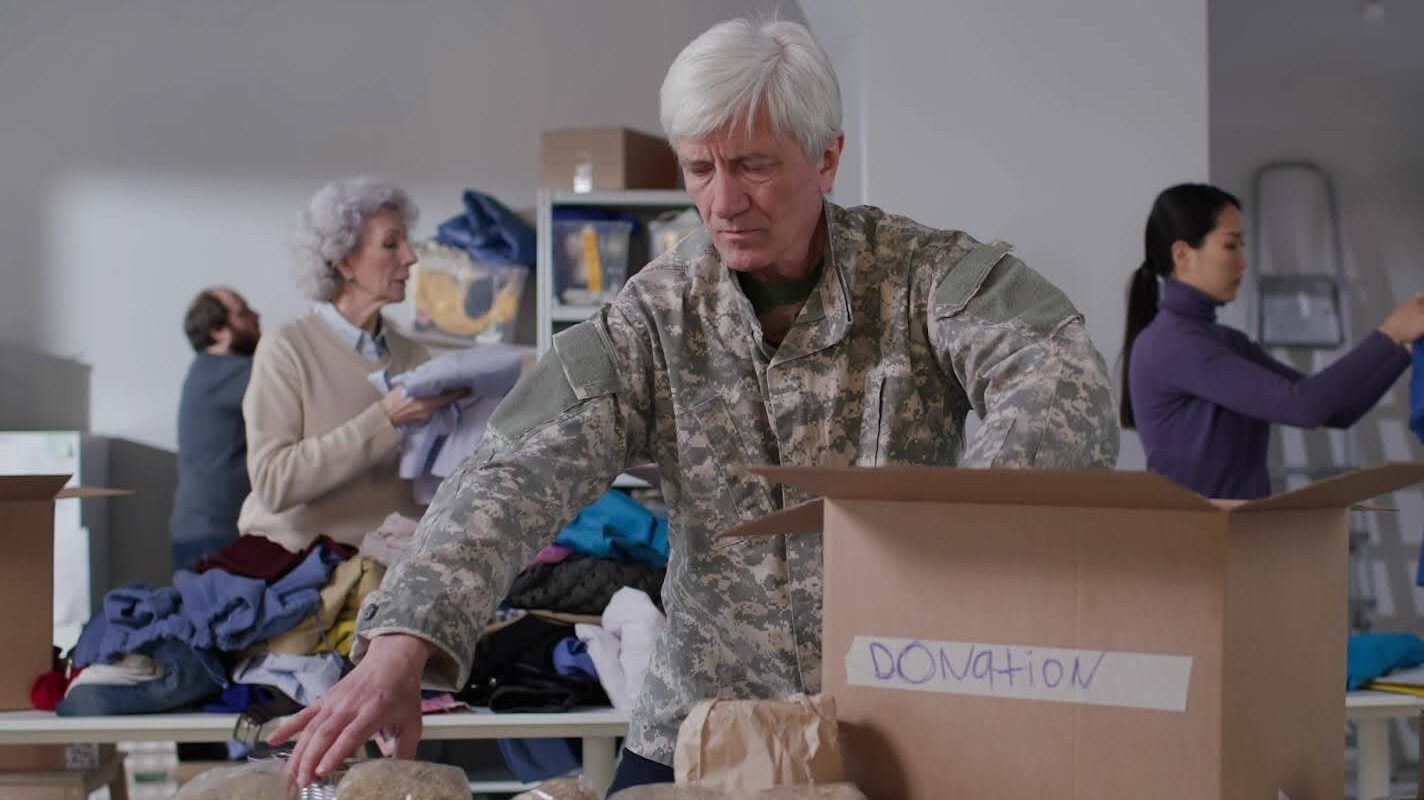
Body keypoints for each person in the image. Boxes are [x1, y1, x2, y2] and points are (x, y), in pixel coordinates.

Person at [272, 19, 1120, 793]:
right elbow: (515, 466)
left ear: (825, 158)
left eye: (754, 165)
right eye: (700, 167)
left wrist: (973, 553)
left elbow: (1057, 379)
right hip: (706, 720)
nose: (722, 201)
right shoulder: (654, 314)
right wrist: (399, 643)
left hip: (900, 715)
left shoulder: (925, 277)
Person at [1120, 183, 1424, 500]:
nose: (1243, 261)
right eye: (1230, 245)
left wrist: (1405, 348)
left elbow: (1338, 410)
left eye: (1242, 246)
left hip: (1233, 538)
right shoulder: (1173, 344)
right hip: (1195, 546)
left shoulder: (1222, 341)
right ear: (1182, 254)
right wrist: (1391, 334)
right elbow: (1304, 406)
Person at [234, 176, 464, 553]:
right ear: (343, 262)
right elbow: (273, 483)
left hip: (384, 569)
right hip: (299, 569)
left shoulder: (413, 355)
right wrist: (385, 419)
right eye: (391, 244)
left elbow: (423, 485)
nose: (411, 256)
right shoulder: (286, 349)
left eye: (406, 242)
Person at [170, 287, 262, 569]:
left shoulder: (206, 371)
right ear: (218, 330)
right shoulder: (228, 372)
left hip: (203, 531)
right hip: (215, 535)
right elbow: (294, 383)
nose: (256, 316)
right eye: (243, 312)